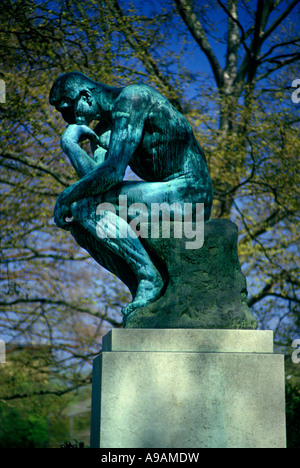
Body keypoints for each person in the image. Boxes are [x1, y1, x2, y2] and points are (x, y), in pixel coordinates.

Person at [49, 71, 213, 317]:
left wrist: (66, 196)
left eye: (67, 110)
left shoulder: (133, 99)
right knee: (79, 220)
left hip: (190, 192)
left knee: (82, 207)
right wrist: (70, 146)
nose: (67, 120)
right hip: (161, 196)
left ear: (85, 97)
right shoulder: (104, 130)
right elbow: (96, 181)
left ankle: (149, 276)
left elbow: (112, 174)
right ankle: (139, 283)